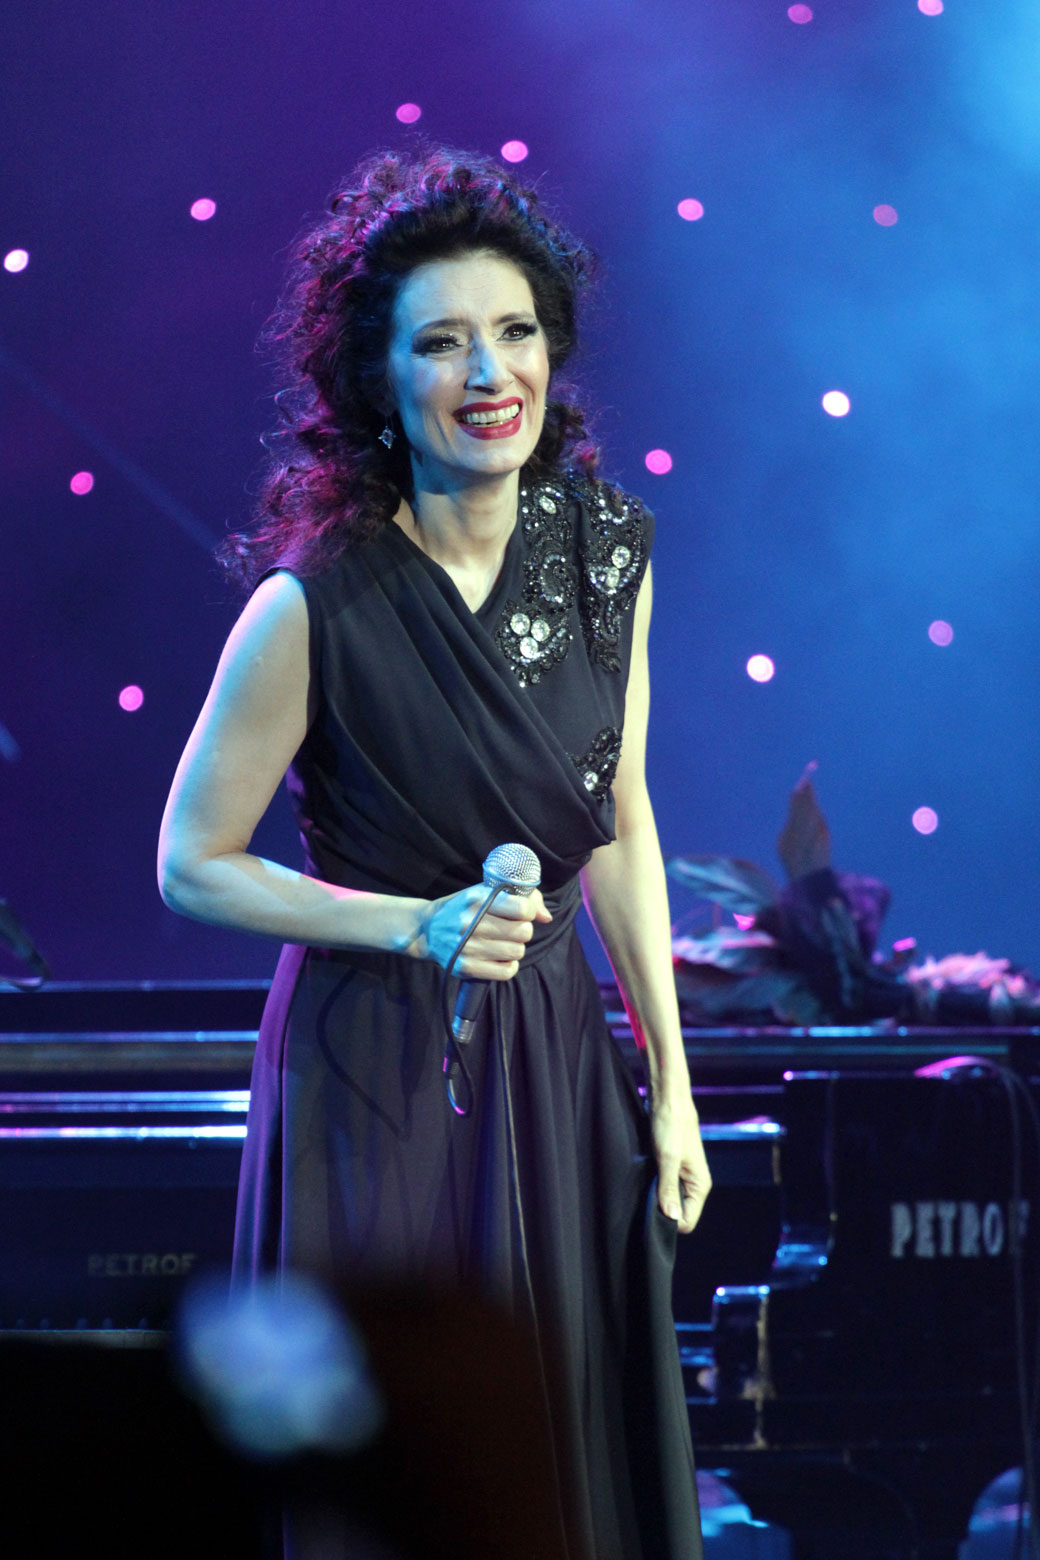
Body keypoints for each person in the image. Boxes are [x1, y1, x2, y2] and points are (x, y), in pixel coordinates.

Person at [158, 147, 711, 1560]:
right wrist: (412, 924)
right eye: (442, 342)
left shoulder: (608, 558)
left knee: (555, 1445)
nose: (488, 372)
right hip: (376, 1063)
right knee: (396, 1464)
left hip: (558, 1053)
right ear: (379, 379)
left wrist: (671, 1082)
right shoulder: (313, 604)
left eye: (514, 331)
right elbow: (192, 862)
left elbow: (621, 820)